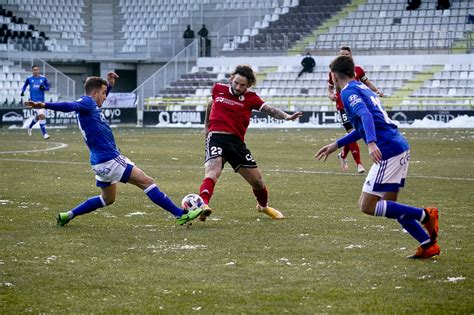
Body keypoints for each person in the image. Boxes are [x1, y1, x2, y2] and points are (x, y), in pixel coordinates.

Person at [25, 73, 203, 227]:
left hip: (98, 161)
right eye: (103, 93)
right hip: (109, 158)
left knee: (107, 199)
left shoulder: (91, 105)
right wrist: (44, 105)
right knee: (147, 182)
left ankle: (68, 215)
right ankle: (181, 215)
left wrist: (109, 85)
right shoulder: (86, 102)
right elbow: (70, 105)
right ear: (94, 93)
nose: (105, 97)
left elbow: (91, 102)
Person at [316, 56, 440, 259]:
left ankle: (426, 215)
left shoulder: (348, 92)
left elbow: (366, 116)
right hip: (398, 146)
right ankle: (427, 244)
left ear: (334, 76)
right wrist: (336, 144)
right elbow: (362, 125)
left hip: (387, 150)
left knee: (367, 205)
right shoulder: (361, 87)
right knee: (392, 207)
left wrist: (372, 142)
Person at [197, 65, 302, 222]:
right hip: (216, 137)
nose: (238, 87)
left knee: (258, 182)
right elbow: (211, 104)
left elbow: (270, 110)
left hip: (236, 143)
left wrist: (287, 117)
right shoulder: (218, 89)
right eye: (236, 83)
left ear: (249, 85)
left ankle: (263, 206)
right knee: (212, 171)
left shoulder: (251, 98)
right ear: (232, 79)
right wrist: (206, 127)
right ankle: (203, 205)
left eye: (242, 85)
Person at [327, 46, 384, 174]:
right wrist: (331, 95)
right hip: (342, 106)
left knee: (355, 132)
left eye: (346, 54)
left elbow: (367, 83)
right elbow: (329, 89)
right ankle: (359, 163)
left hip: (357, 105)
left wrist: (377, 90)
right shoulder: (333, 72)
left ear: (351, 55)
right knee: (352, 131)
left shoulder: (358, 70)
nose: (344, 56)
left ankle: (342, 155)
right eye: (341, 54)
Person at [21, 65, 50, 139]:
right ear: (32, 70)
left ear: (39, 70)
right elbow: (24, 86)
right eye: (34, 70)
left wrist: (44, 87)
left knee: (39, 117)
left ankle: (30, 126)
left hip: (41, 101)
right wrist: (23, 92)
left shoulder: (43, 78)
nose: (36, 71)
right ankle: (45, 134)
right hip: (33, 101)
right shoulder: (29, 78)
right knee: (42, 116)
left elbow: (48, 88)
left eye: (37, 70)